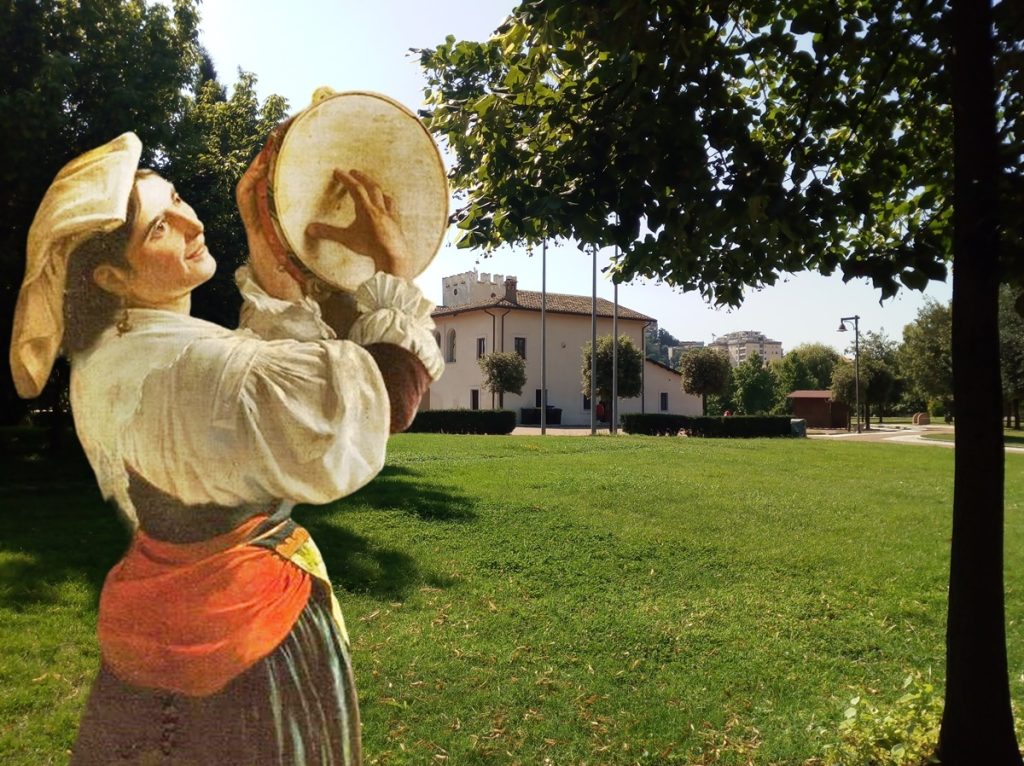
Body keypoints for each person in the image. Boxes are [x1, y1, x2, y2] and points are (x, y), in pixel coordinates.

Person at [9, 131, 444, 764]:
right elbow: (378, 397)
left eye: (178, 197)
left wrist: (269, 257)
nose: (189, 221)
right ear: (110, 274)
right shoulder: (188, 368)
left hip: (163, 618)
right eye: (159, 227)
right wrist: (395, 273)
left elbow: (248, 388)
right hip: (243, 642)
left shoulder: (116, 353)